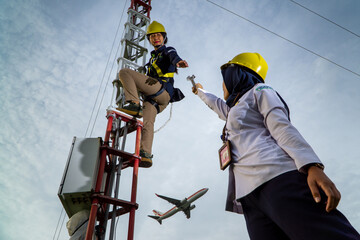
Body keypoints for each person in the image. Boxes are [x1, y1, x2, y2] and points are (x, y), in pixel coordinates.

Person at [192, 52, 360, 239]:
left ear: (236, 73)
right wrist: (199, 90)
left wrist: (312, 165)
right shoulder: (234, 110)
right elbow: (215, 104)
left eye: (224, 79)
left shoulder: (260, 91)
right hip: (249, 197)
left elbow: (281, 127)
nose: (222, 85)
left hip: (278, 178)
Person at [117, 21, 188, 168]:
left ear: (164, 37)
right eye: (152, 36)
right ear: (149, 39)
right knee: (147, 124)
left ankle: (134, 104)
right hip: (157, 101)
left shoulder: (167, 51)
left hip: (162, 91)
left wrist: (179, 62)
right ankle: (146, 154)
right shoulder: (152, 60)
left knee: (124, 72)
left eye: (159, 36)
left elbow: (173, 56)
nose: (156, 38)